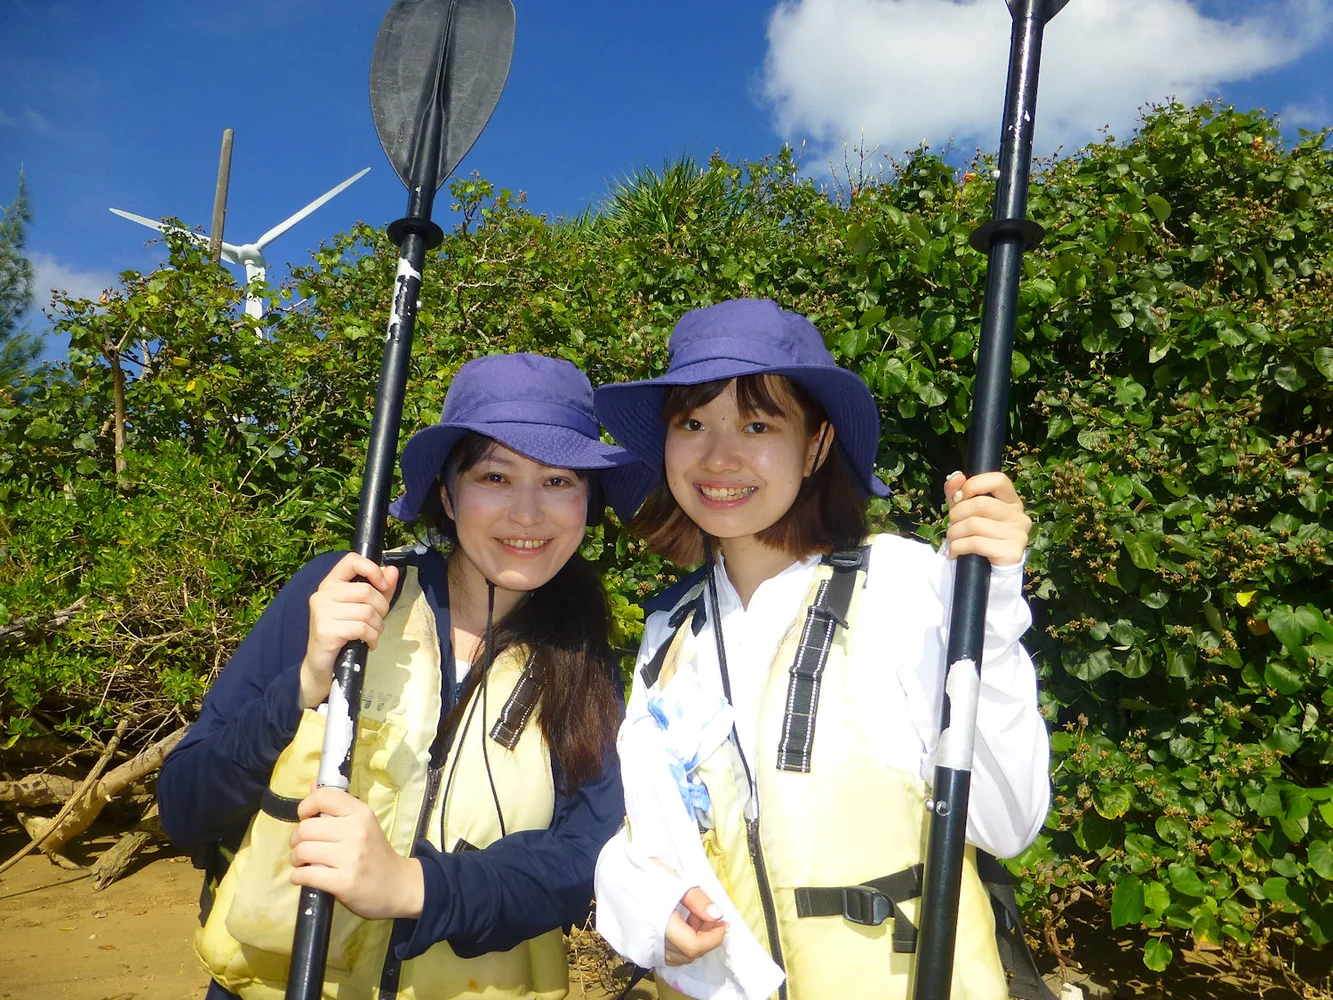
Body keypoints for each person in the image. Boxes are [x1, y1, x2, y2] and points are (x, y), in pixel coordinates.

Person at [590, 299, 1051, 1000]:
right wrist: (646, 907)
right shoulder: (671, 636)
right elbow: (646, 840)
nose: (718, 457)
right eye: (691, 423)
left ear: (815, 444)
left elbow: (1006, 821)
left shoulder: (901, 584)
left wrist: (989, 620)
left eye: (757, 423)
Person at [158, 353, 653, 1000]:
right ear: (446, 495)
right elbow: (185, 807)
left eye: (559, 481)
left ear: (589, 503)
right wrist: (305, 683)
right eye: (494, 477)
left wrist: (412, 887)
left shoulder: (585, 663)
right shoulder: (343, 594)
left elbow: (582, 859)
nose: (527, 514)